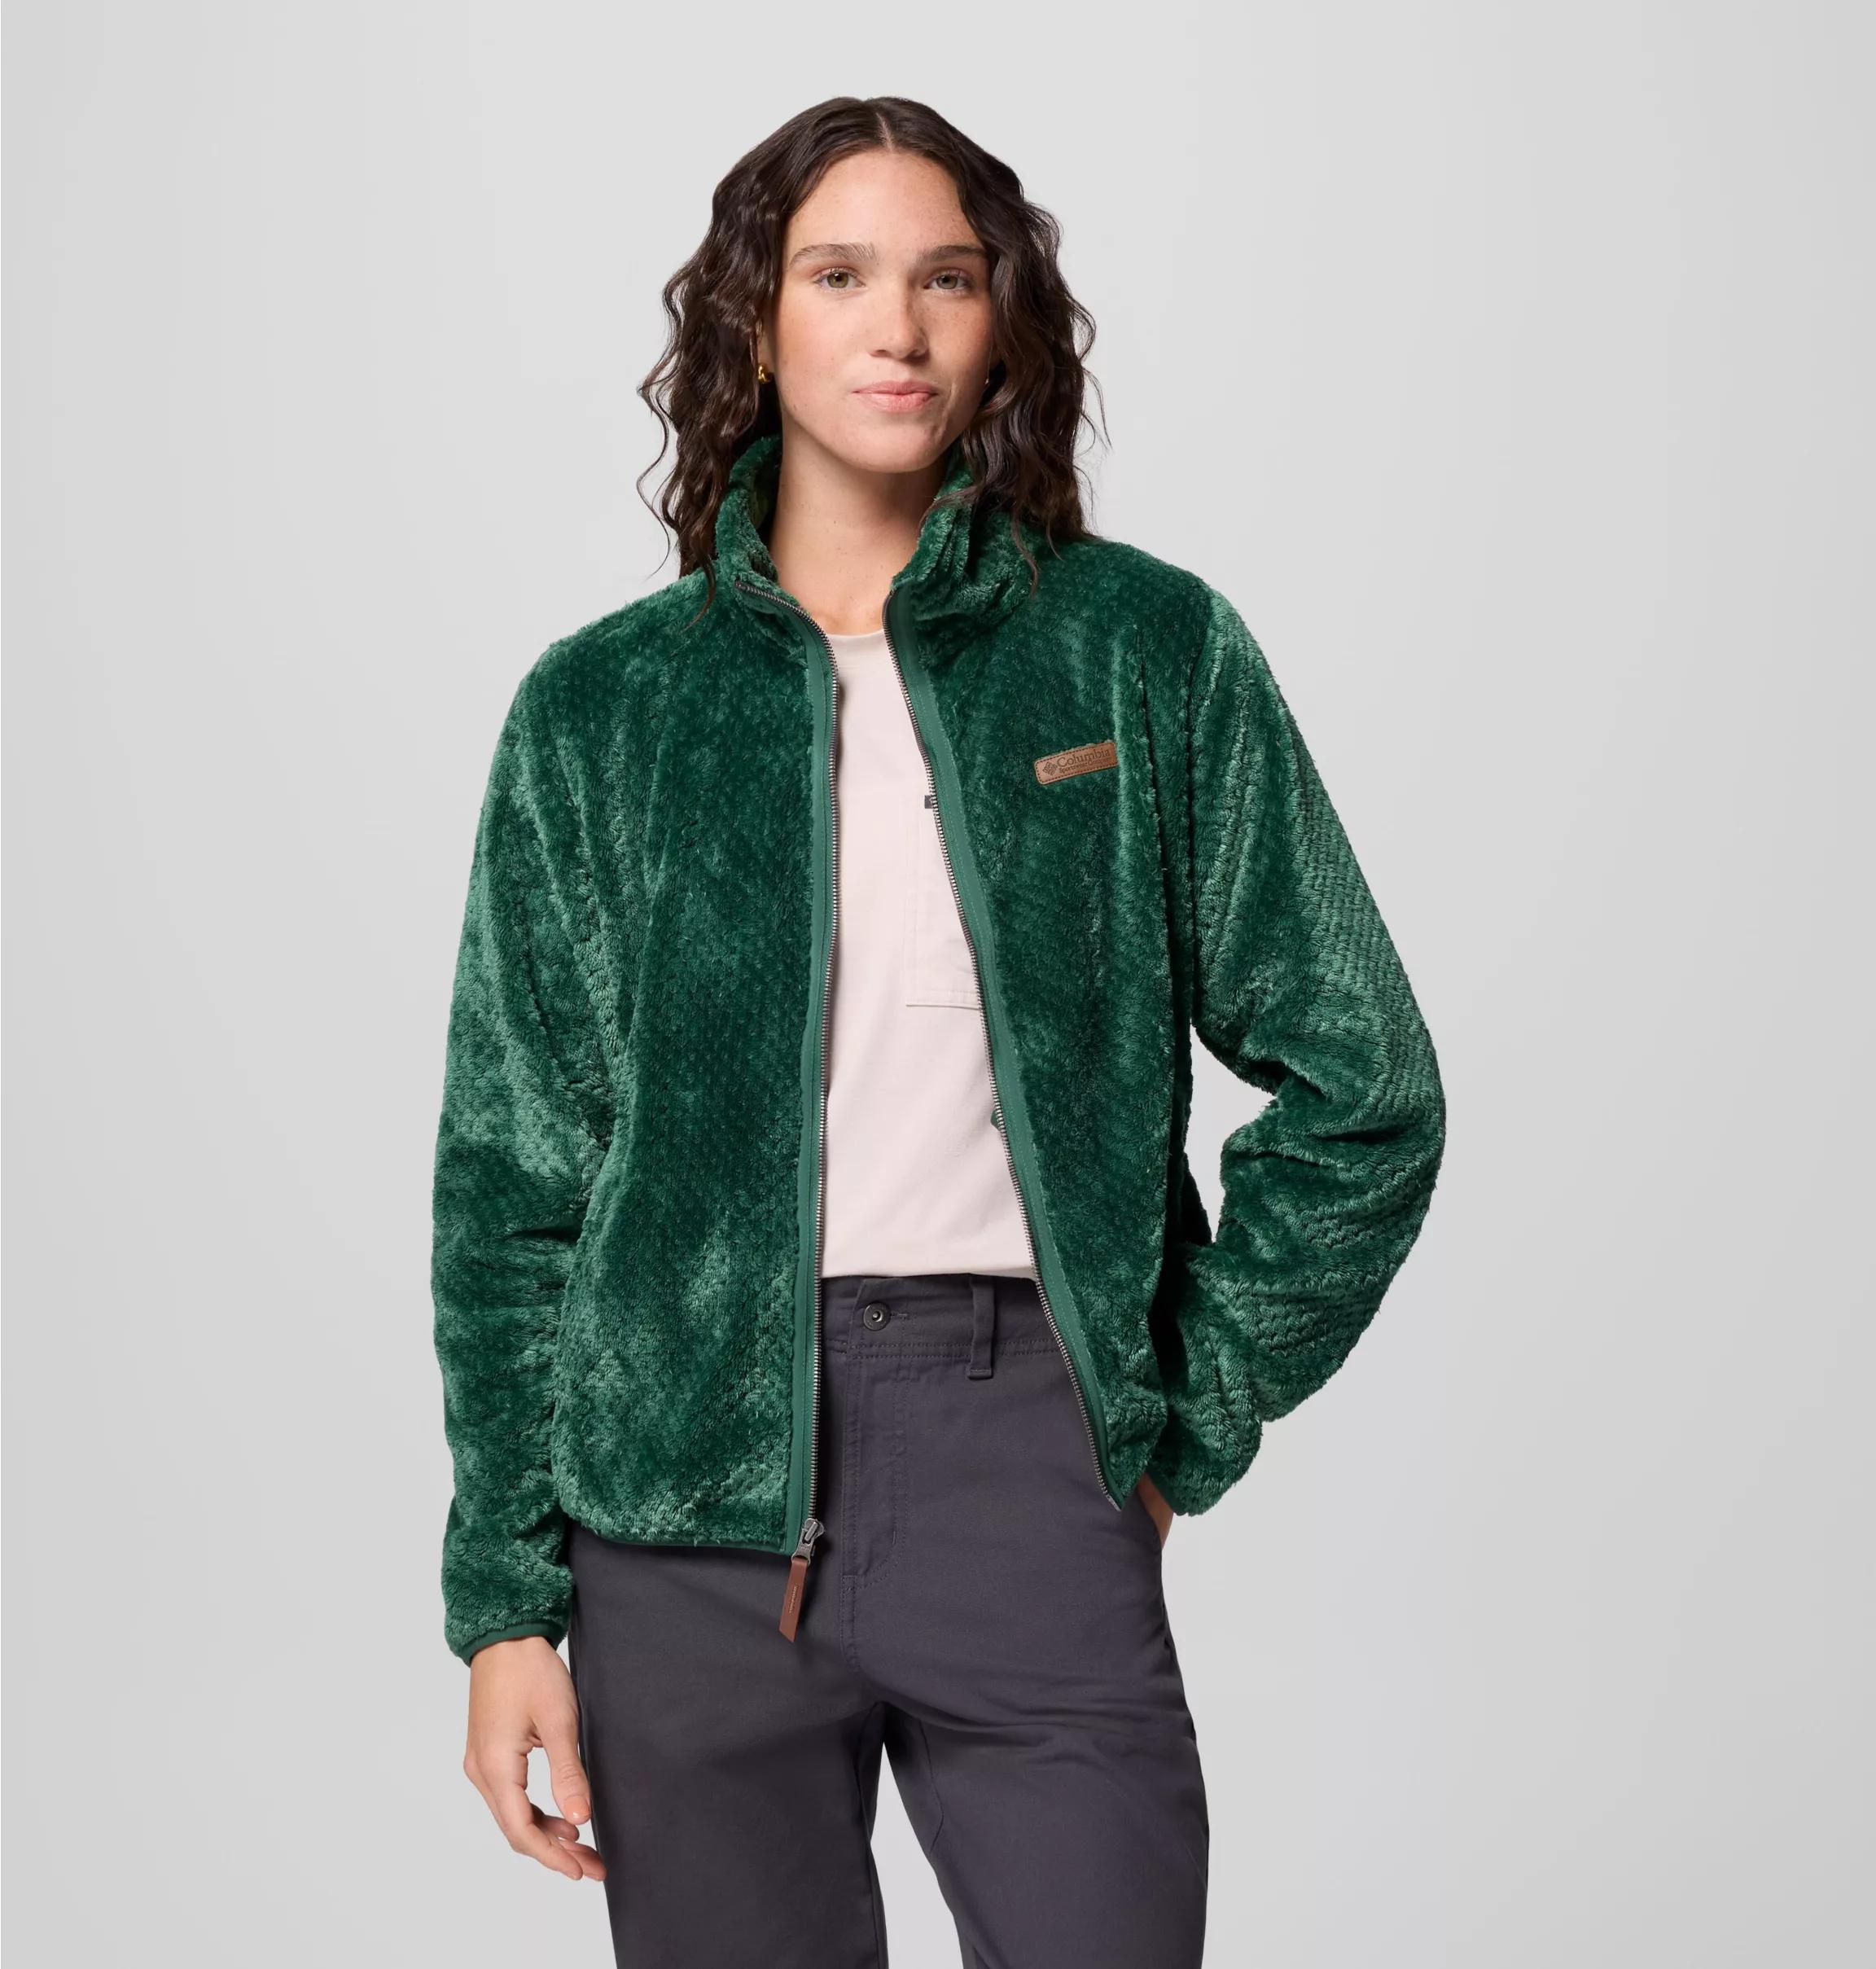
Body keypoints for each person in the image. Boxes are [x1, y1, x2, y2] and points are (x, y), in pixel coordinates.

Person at [432, 96, 1446, 1968]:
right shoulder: (602, 711)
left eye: (947, 279)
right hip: (681, 1521)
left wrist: (1175, 1420)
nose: (895, 326)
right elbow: (514, 1189)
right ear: (756, 323)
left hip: (1027, 1460)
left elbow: (1364, 1085)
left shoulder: (1141, 652)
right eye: (838, 275)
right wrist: (506, 1603)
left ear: (1004, 322)